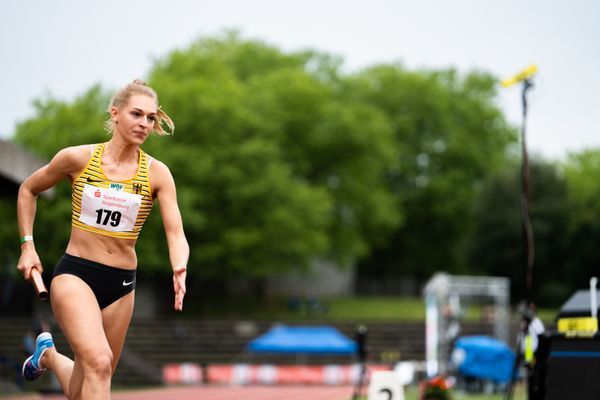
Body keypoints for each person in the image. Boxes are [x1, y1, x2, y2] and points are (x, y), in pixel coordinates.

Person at [16, 79, 189, 399]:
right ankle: (51, 356)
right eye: (137, 114)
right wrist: (28, 246)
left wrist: (179, 265)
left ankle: (49, 357)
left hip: (122, 285)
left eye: (151, 118)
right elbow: (28, 189)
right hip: (76, 275)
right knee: (99, 362)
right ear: (116, 114)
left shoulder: (157, 173)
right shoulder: (78, 159)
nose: (144, 123)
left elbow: (174, 231)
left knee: (92, 378)